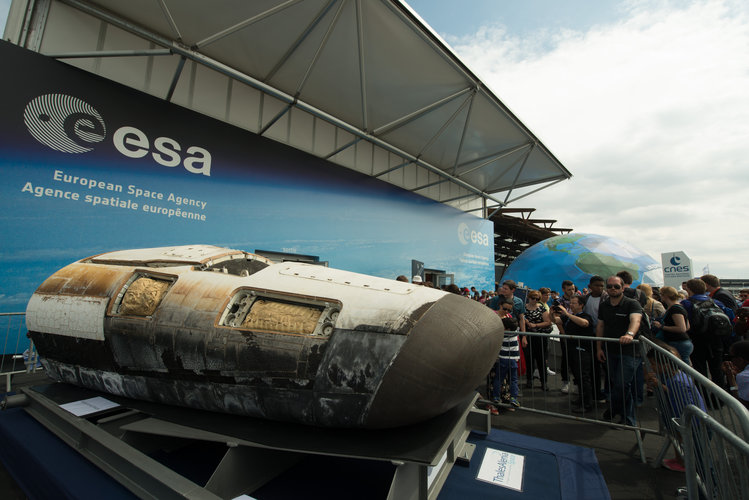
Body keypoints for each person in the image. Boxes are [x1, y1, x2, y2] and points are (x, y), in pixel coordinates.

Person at [646, 345, 707, 472]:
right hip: (684, 420)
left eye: (654, 364)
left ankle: (684, 463)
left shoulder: (678, 381)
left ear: (666, 365)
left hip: (690, 423)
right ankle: (681, 460)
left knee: (684, 440)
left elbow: (685, 405)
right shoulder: (675, 377)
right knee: (678, 437)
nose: (651, 367)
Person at [596, 275, 643, 426]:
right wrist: (599, 347)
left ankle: (620, 414)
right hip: (611, 350)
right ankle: (622, 415)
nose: (612, 289)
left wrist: (629, 334)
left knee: (622, 384)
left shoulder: (632, 304)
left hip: (630, 351)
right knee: (617, 383)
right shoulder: (604, 305)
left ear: (623, 288)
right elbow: (600, 326)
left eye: (616, 286)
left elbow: (635, 320)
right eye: (609, 286)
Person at [682, 278, 732, 391]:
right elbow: (730, 317)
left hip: (697, 339)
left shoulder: (686, 304)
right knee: (717, 370)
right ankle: (718, 400)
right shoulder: (716, 302)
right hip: (717, 340)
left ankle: (703, 399)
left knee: (700, 371)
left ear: (688, 289)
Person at [552, 295, 595, 412]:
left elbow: (584, 323)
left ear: (581, 305)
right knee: (577, 375)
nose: (571, 305)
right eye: (570, 303)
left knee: (583, 377)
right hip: (572, 350)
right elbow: (556, 321)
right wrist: (552, 313)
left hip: (582, 350)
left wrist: (567, 314)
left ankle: (587, 404)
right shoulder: (570, 317)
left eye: (574, 303)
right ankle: (581, 399)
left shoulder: (585, 316)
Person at [653, 286, 693, 364]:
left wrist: (662, 327)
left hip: (678, 342)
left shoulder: (675, 309)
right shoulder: (680, 307)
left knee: (681, 367)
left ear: (665, 296)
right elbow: (687, 326)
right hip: (683, 342)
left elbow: (682, 328)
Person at [523, 290, 552, 390]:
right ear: (529, 298)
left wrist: (535, 325)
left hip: (540, 337)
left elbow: (548, 322)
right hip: (528, 337)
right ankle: (529, 380)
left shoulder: (542, 309)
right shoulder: (524, 308)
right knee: (529, 359)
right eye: (533, 298)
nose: (534, 300)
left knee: (541, 360)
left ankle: (544, 382)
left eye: (537, 299)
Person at [492, 316, 522, 409]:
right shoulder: (515, 332)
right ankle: (513, 398)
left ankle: (496, 397)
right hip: (513, 360)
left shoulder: (501, 334)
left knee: (498, 379)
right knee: (513, 380)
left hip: (503, 359)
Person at [721, 340, 749, 410]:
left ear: (740, 360)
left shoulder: (743, 376)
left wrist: (730, 377)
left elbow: (741, 405)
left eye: (730, 357)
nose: (730, 360)